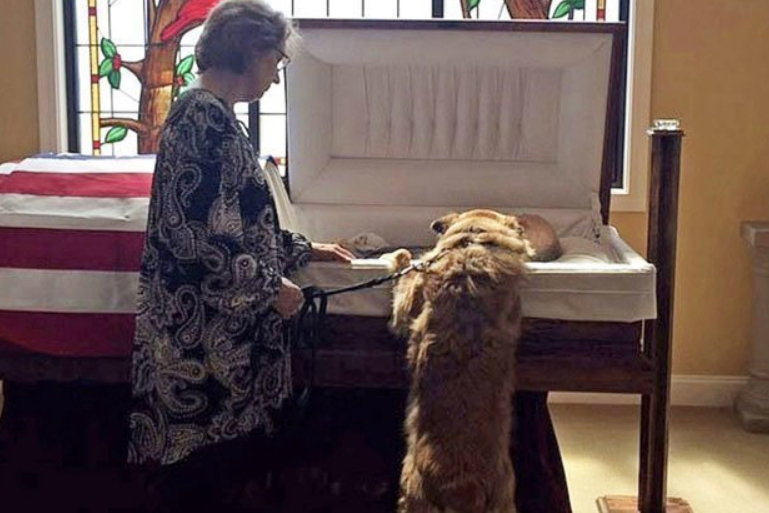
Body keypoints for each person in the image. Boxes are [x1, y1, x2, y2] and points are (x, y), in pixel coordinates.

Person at [126, 0, 353, 509]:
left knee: (221, 476)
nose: (276, 74)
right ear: (248, 52)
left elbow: (241, 224)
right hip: (200, 348)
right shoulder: (200, 119)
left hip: (216, 340)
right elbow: (194, 236)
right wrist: (272, 288)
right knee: (200, 484)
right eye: (275, 60)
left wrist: (304, 249)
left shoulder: (215, 116)